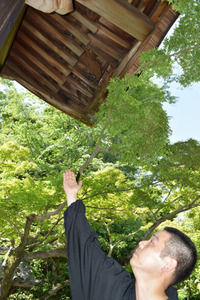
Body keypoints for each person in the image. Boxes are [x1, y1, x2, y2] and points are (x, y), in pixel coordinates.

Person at [63, 170, 197, 300]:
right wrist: (71, 195)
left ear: (168, 264)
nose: (141, 243)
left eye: (152, 242)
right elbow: (86, 248)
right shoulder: (112, 284)